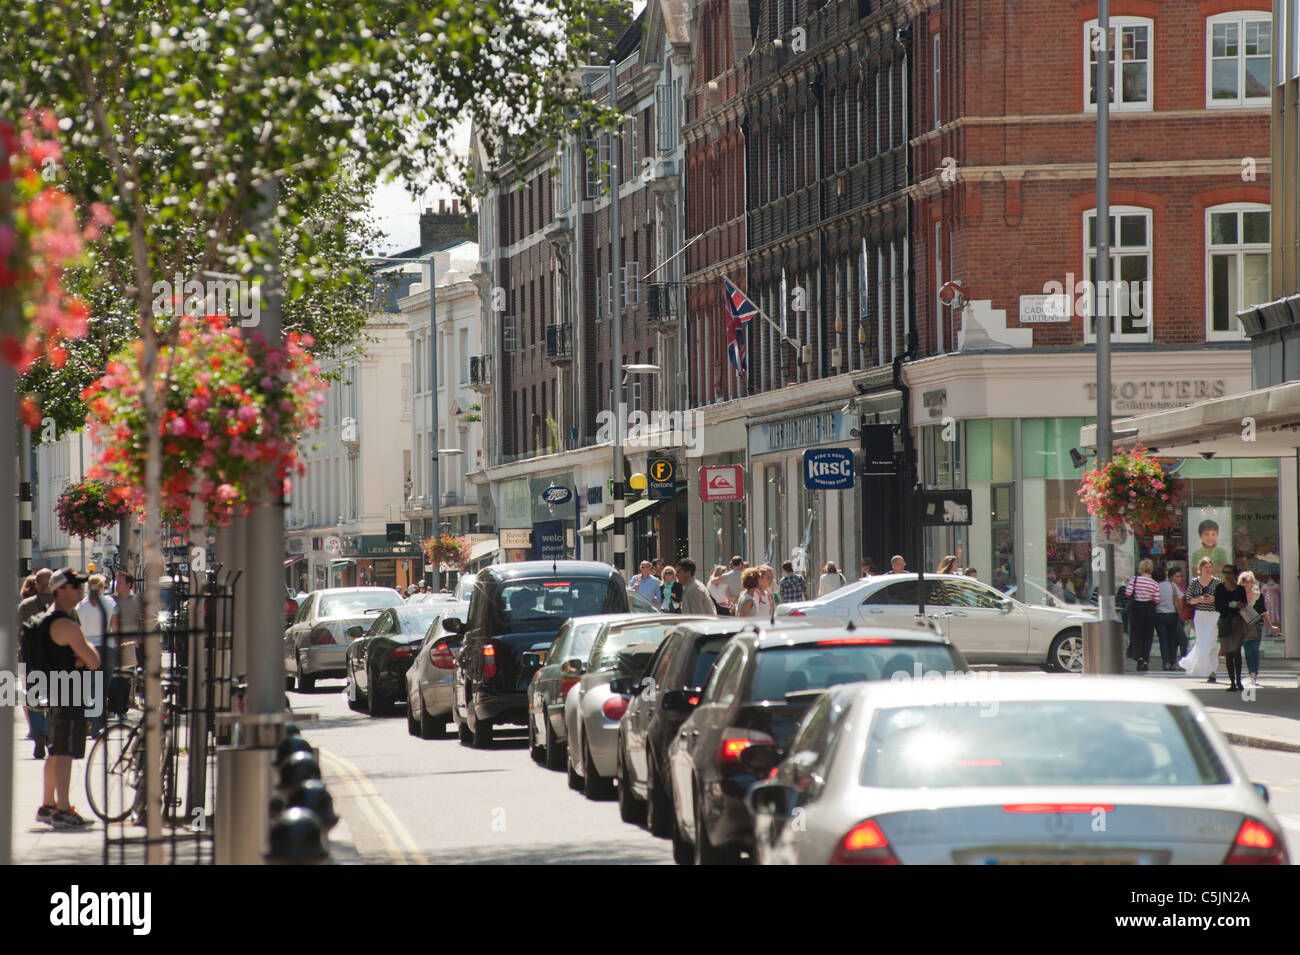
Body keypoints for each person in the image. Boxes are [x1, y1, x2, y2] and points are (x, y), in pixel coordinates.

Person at [35, 568, 99, 829]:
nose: (80, 589)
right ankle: (62, 809)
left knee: (55, 750)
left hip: (54, 689)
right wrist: (83, 650)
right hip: (70, 690)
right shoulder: (65, 623)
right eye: (75, 586)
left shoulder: (45, 620)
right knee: (64, 753)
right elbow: (93, 660)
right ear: (60, 590)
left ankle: (48, 804)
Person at [77, 574, 119, 736]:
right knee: (101, 689)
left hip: (86, 649)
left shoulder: (80, 606)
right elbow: (115, 628)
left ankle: (86, 722)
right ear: (102, 587)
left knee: (88, 687)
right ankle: (96, 727)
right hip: (106, 649)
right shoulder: (109, 603)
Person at [1180, 557, 1222, 681]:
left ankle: (1212, 670)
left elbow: (1223, 598)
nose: (1208, 570)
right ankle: (1205, 669)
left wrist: (1214, 599)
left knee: (1211, 642)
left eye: (1210, 567)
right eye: (1205, 567)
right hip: (1200, 615)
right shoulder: (1194, 582)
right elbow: (1188, 599)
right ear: (1200, 568)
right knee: (1202, 642)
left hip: (1214, 614)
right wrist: (1199, 599)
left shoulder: (1217, 582)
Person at [1238, 571, 1277, 686]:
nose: (1246, 584)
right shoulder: (1238, 596)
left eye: (1248, 581)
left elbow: (1264, 612)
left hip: (1256, 626)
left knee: (1254, 649)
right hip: (1242, 626)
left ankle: (1253, 674)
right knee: (1247, 651)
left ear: (1252, 583)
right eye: (1243, 581)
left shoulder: (1258, 595)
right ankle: (1251, 672)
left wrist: (1270, 625)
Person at [1215, 566, 1250, 692]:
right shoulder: (1219, 588)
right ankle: (1232, 682)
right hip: (1225, 622)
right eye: (1224, 572)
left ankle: (1239, 681)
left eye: (1229, 573)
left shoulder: (1240, 589)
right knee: (1228, 652)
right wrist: (1232, 604)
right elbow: (1218, 606)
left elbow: (1244, 604)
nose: (1226, 575)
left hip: (1237, 621)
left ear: (1234, 574)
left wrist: (1239, 605)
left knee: (1236, 650)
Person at [1123, 560, 1159, 672]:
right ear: (1151, 569)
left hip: (1137, 609)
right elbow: (1157, 599)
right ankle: (1146, 660)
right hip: (1149, 609)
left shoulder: (1134, 580)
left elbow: (1128, 593)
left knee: (1136, 635)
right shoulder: (1154, 583)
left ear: (1141, 568)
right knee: (1148, 636)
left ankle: (1139, 657)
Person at [1152, 567, 1182, 672]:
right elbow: (1180, 596)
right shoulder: (1171, 585)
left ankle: (1166, 663)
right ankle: (1173, 661)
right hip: (1172, 615)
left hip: (1159, 616)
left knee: (1163, 641)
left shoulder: (1154, 587)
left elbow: (1154, 601)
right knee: (1172, 640)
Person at [1170, 568, 1191, 659]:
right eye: (1177, 576)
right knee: (1183, 640)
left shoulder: (1179, 587)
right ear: (1171, 578)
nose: (1180, 578)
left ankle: (1175, 661)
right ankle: (1183, 659)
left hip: (1181, 615)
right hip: (1177, 615)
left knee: (1177, 640)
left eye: (1180, 576)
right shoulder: (1172, 587)